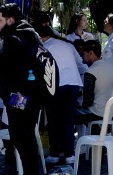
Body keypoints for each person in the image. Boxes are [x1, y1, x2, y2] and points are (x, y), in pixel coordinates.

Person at [0, 5, 46, 175]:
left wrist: (7, 94)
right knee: (28, 138)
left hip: (18, 97)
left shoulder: (11, 40)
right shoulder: (32, 36)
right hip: (34, 96)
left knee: (21, 139)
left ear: (10, 20)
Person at [33, 14, 83, 166]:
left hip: (55, 86)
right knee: (68, 120)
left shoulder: (43, 48)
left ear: (40, 37)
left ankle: (55, 153)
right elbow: (80, 64)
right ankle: (69, 153)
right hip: (73, 84)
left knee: (54, 119)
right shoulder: (67, 44)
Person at [75, 39, 113, 127]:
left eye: (83, 54)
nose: (81, 57)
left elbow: (88, 100)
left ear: (90, 53)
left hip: (99, 114)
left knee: (68, 113)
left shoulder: (91, 71)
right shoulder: (110, 66)